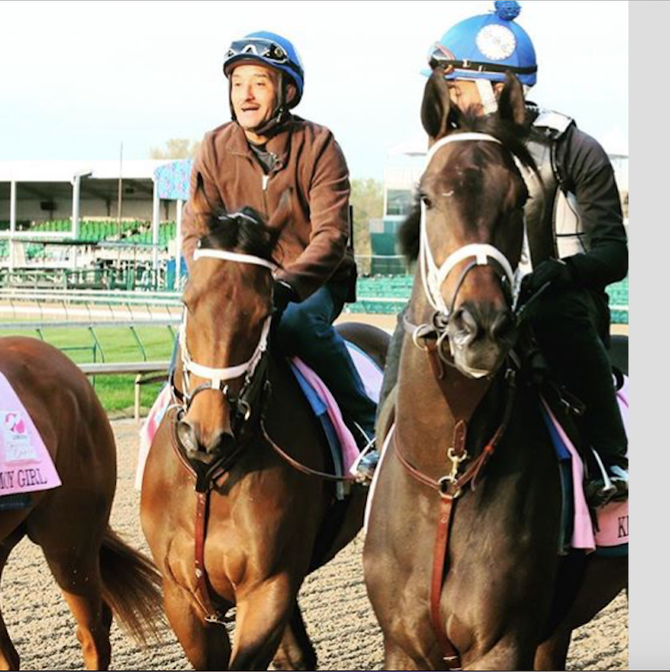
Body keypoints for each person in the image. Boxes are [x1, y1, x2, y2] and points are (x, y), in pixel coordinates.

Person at [370, 1, 628, 506]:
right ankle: (378, 446)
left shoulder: (575, 148)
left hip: (554, 296)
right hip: (477, 293)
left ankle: (609, 457)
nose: (453, 99)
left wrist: (559, 273)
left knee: (560, 318)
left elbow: (615, 255)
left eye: (459, 88)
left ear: (495, 88)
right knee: (411, 318)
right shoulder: (453, 151)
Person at [181, 31, 378, 451]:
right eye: (237, 84)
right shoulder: (214, 146)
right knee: (194, 332)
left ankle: (367, 426)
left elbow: (331, 236)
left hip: (312, 282)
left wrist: (286, 285)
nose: (245, 96)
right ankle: (169, 428)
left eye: (259, 83)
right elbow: (196, 228)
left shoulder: (320, 145)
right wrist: (204, 281)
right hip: (236, 283)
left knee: (298, 324)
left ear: (287, 91)